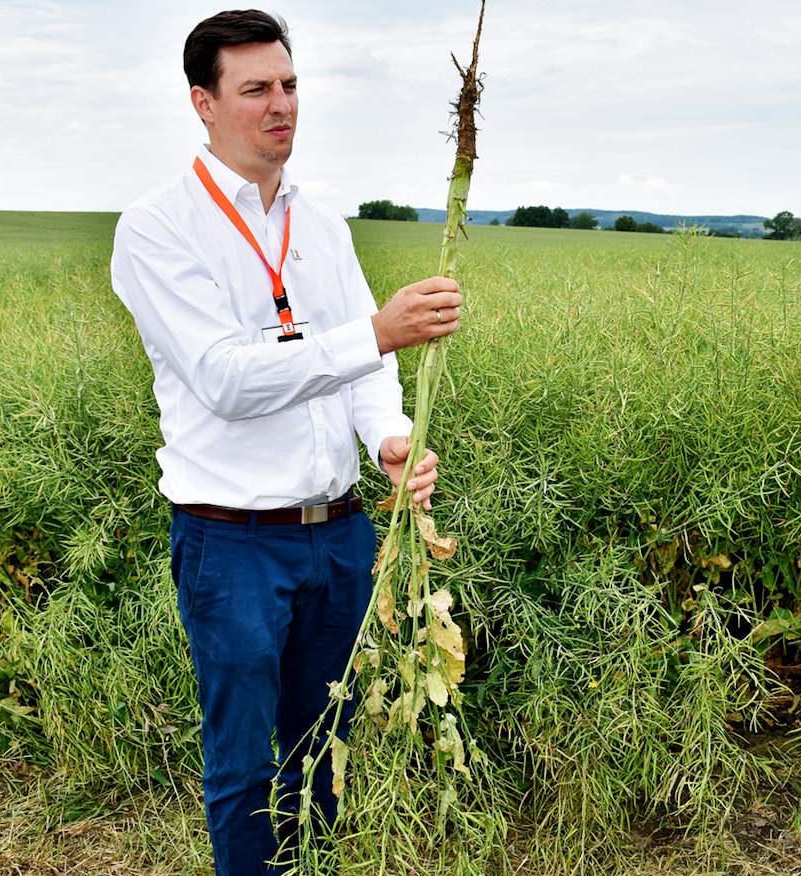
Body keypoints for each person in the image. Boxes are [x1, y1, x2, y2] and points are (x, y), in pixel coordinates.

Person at [108, 10, 461, 875]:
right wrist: (374, 334)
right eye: (256, 89)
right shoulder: (157, 228)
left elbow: (362, 372)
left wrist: (389, 437)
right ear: (204, 102)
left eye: (291, 85)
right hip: (232, 542)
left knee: (324, 751)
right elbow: (226, 379)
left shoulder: (323, 224)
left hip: (339, 534)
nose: (281, 106)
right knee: (242, 765)